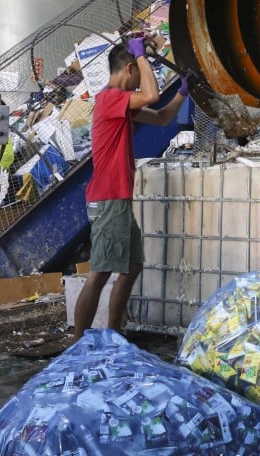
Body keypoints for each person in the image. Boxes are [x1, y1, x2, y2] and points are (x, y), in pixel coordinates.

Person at [73, 36, 189, 341]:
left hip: (118, 198)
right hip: (109, 197)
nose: (140, 80)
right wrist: (143, 57)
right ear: (129, 68)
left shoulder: (119, 105)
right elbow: (151, 95)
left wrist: (181, 93)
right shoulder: (110, 97)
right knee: (100, 273)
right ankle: (77, 344)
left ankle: (113, 335)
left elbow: (163, 118)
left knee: (132, 266)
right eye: (137, 71)